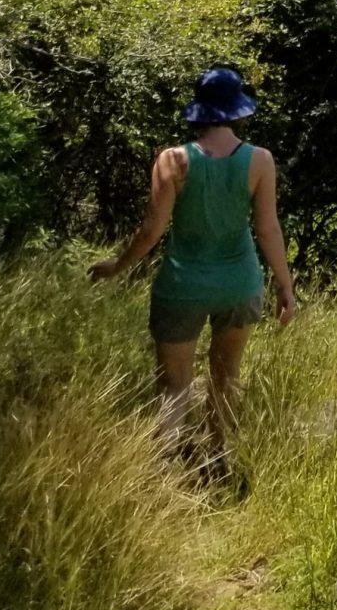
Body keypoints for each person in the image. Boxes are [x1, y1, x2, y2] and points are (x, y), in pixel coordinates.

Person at [90, 65, 297, 466]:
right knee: (227, 377)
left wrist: (118, 265)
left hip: (181, 286)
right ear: (239, 110)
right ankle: (217, 459)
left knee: (173, 384)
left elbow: (151, 231)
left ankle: (168, 472)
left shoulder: (172, 161)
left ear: (199, 110)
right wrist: (284, 286)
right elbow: (268, 229)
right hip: (238, 283)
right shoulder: (260, 161)